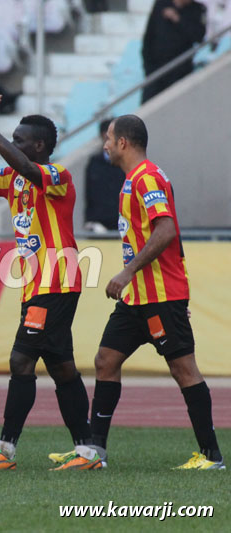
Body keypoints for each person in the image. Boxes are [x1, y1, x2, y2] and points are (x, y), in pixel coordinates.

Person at [50, 115, 224, 470]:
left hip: (159, 295)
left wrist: (128, 272)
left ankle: (211, 457)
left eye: (109, 139)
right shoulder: (133, 180)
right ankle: (94, 453)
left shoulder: (147, 178)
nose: (105, 145)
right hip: (137, 299)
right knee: (105, 361)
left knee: (184, 370)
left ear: (124, 143)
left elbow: (166, 230)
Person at [0, 106, 101, 471]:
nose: (12, 145)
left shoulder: (56, 175)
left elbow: (29, 170)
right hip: (37, 285)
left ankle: (4, 451)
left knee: (21, 360)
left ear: (39, 146)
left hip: (56, 280)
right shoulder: (12, 179)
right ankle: (87, 452)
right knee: (62, 368)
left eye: (19, 140)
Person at [141, 0, 206, 103]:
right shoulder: (161, 4)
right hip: (156, 70)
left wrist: (178, 19)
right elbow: (149, 38)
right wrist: (148, 67)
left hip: (180, 71)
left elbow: (198, 36)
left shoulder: (197, 9)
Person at [84, 118, 127, 233]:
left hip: (122, 222)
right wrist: (90, 220)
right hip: (100, 223)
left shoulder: (125, 162)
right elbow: (89, 193)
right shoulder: (94, 162)